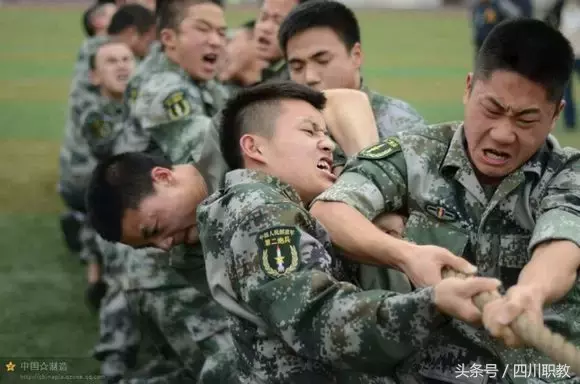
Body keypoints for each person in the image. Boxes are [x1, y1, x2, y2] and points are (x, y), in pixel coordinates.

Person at [310, 18, 580, 382]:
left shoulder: (569, 174)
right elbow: (330, 210)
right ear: (468, 89)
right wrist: (408, 256)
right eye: (492, 109)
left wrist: (530, 294)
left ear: (555, 115)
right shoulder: (414, 155)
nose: (502, 134)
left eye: (526, 119)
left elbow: (562, 245)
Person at [192, 81, 502, 382]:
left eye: (326, 133)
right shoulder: (259, 209)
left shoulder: (263, 207)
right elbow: (321, 320)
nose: (327, 144)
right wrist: (431, 303)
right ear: (254, 146)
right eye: (309, 131)